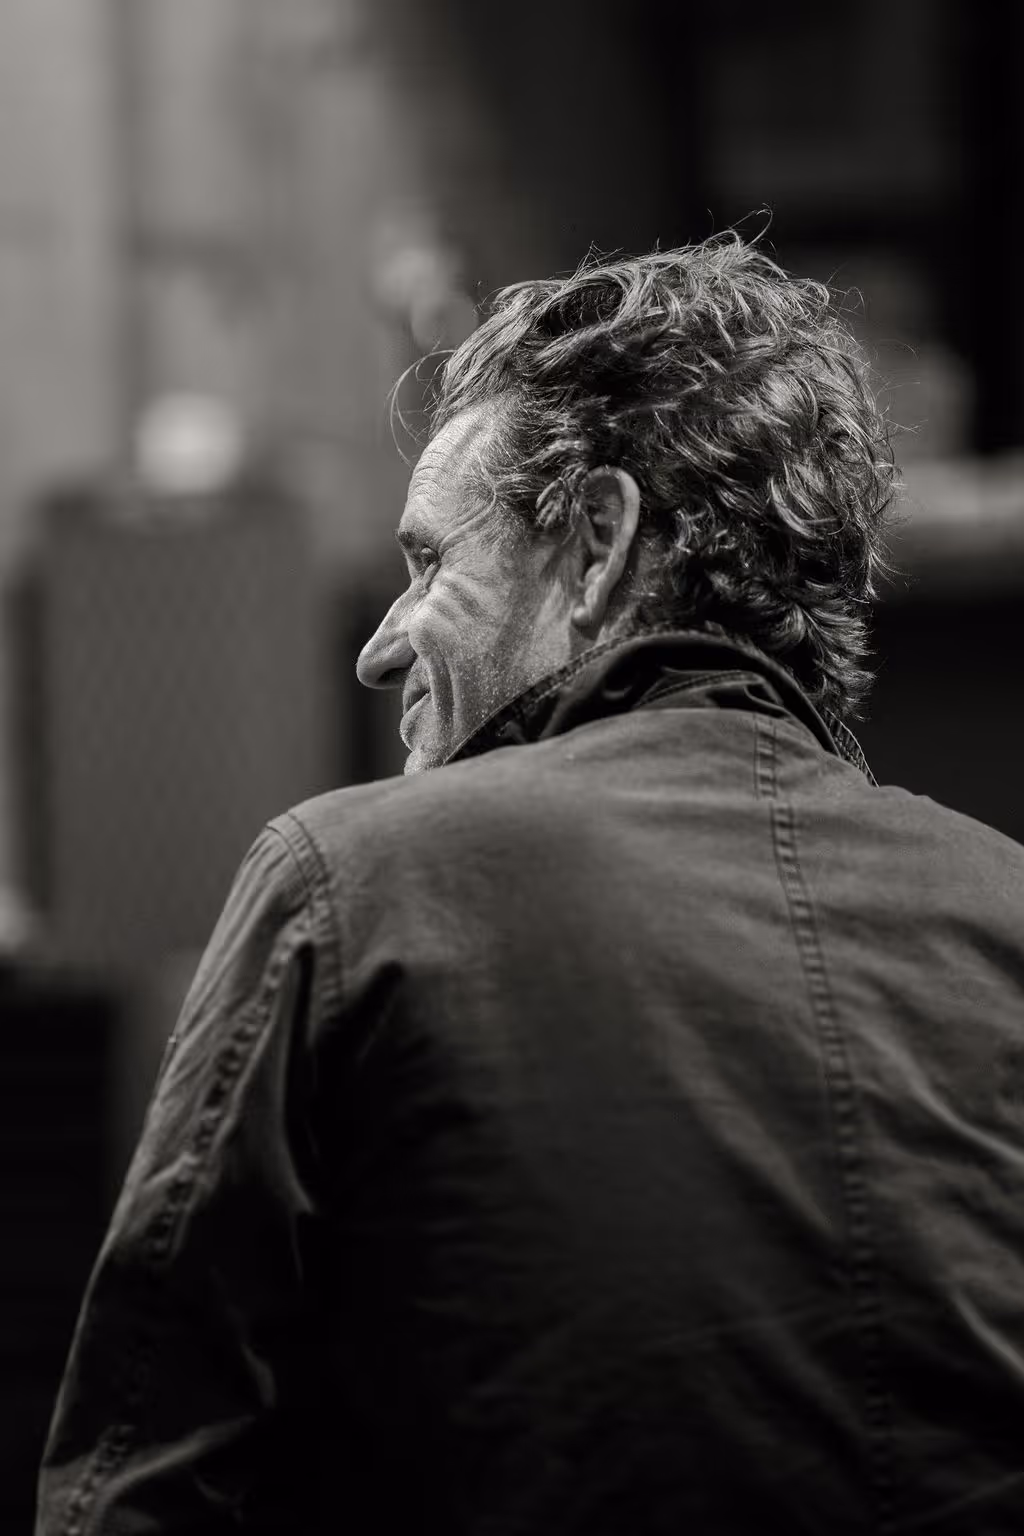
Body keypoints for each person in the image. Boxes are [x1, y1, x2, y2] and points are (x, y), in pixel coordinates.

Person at [36, 235, 1024, 1535]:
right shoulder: (1006, 907)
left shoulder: (352, 885)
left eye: (432, 562)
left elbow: (134, 1499)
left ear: (600, 542)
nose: (380, 650)